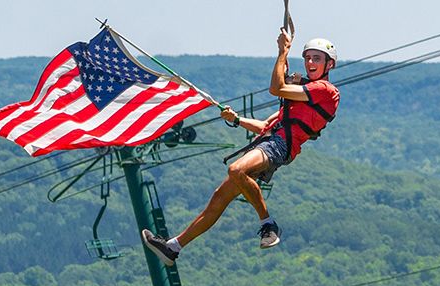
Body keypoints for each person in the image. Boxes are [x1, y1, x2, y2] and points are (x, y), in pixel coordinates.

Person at [142, 30, 338, 261]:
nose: (309, 62)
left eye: (316, 58)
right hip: (269, 141)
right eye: (307, 57)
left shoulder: (325, 91)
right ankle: (173, 247)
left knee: (236, 170)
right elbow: (265, 124)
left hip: (279, 145)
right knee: (219, 197)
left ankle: (268, 223)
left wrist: (282, 52)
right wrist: (236, 120)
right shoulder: (301, 99)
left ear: (329, 64)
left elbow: (276, 88)